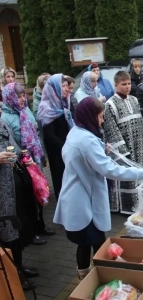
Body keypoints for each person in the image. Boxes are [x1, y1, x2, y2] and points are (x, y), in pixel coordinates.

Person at [53, 97, 143, 280]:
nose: (102, 121)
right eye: (100, 117)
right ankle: (103, 278)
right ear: (90, 116)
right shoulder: (87, 141)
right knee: (98, 243)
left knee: (86, 243)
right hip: (83, 202)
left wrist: (102, 148)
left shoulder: (77, 132)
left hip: (77, 197)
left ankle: (87, 277)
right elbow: (111, 170)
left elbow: (88, 152)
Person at [1, 82, 55, 245]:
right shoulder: (6, 117)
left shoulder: (25, 111)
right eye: (18, 96)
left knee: (39, 192)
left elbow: (36, 133)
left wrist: (40, 154)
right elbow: (11, 142)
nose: (23, 99)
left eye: (24, 95)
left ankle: (40, 225)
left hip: (32, 159)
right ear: (10, 98)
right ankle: (30, 233)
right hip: (18, 163)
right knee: (28, 199)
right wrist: (20, 156)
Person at [103, 71, 143, 213]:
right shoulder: (110, 104)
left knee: (140, 172)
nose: (127, 87)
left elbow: (141, 121)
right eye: (123, 84)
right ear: (116, 85)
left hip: (139, 146)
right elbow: (111, 129)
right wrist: (123, 150)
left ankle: (141, 202)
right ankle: (127, 206)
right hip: (125, 147)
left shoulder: (134, 100)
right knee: (127, 175)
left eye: (129, 83)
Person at [0, 119, 38, 290]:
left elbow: (14, 146)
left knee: (19, 227)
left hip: (15, 187)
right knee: (8, 233)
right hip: (2, 194)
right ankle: (13, 276)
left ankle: (20, 267)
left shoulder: (3, 123)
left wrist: (25, 157)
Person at [37, 74, 74, 200]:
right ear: (54, 89)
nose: (66, 88)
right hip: (57, 152)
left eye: (66, 85)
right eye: (62, 86)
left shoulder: (64, 103)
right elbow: (49, 136)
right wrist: (66, 146)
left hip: (68, 148)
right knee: (61, 179)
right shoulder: (46, 108)